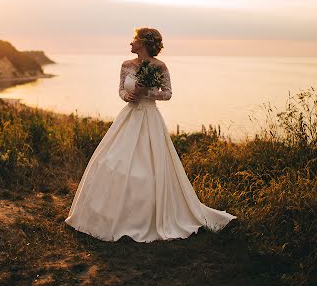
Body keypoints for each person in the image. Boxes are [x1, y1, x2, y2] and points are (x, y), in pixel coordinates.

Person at [65, 27, 236, 242]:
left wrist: (147, 92)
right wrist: (128, 96)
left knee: (150, 166)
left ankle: (148, 217)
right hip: (129, 117)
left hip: (150, 118)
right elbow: (120, 91)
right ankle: (107, 215)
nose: (131, 43)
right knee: (112, 161)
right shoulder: (126, 65)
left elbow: (168, 94)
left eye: (134, 39)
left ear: (143, 43)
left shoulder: (159, 67)